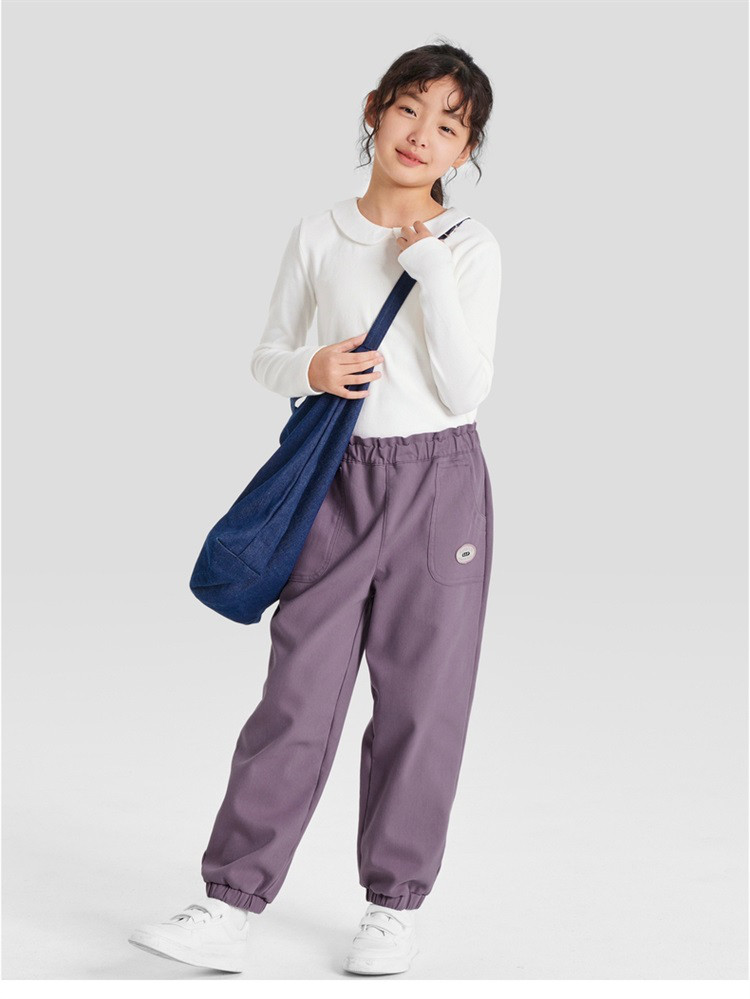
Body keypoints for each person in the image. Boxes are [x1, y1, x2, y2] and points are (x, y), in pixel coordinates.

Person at [128, 39, 502, 977]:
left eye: (449, 125)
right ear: (374, 109)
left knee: (423, 702)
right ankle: (227, 903)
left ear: (465, 152)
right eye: (410, 108)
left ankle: (393, 907)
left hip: (440, 484)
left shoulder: (470, 246)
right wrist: (312, 366)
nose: (422, 134)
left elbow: (465, 389)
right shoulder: (319, 234)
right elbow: (268, 354)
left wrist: (429, 274)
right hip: (337, 479)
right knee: (296, 696)